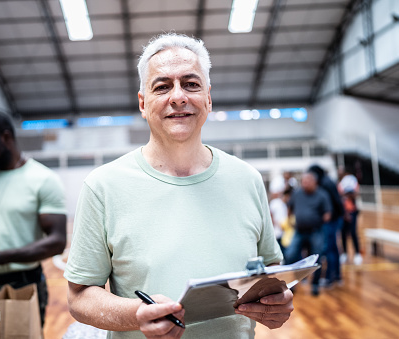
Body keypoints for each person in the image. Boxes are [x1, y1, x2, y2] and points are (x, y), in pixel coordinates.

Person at [64, 33, 293, 339]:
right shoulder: (103, 186)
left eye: (191, 84)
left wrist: (277, 301)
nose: (178, 96)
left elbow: (270, 265)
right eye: (162, 86)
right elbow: (79, 297)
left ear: (208, 98)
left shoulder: (247, 179)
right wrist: (136, 315)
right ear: (143, 104)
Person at [0, 111, 67, 326]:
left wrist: (0, 257)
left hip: (24, 283)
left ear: (6, 137)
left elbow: (57, 241)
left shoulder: (43, 179)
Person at [285, 171, 331, 296]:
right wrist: (290, 220)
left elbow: (328, 213)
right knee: (290, 256)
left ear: (314, 182)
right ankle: (291, 284)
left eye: (307, 181)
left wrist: (318, 220)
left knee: (316, 259)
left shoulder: (322, 195)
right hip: (299, 231)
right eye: (303, 181)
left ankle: (315, 285)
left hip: (315, 232)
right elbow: (289, 206)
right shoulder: (297, 193)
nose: (304, 184)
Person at [308, 165, 344, 286]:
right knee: (333, 249)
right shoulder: (328, 181)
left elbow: (335, 202)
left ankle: (330, 277)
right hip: (333, 220)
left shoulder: (325, 184)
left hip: (330, 221)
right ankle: (337, 276)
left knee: (329, 249)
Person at [338, 167, 362, 265]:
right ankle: (344, 253)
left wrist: (349, 194)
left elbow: (356, 194)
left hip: (352, 211)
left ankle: (357, 254)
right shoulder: (340, 184)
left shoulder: (352, 181)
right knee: (343, 233)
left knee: (353, 233)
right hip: (343, 212)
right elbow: (339, 196)